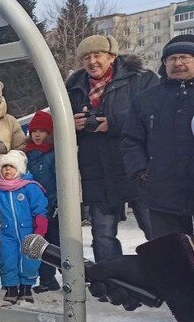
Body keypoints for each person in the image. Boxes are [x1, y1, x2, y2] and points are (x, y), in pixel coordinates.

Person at [66, 35, 157, 261]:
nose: (92, 61)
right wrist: (72, 125)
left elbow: (154, 112)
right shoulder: (73, 88)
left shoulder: (141, 79)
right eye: (86, 57)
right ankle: (111, 285)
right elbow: (56, 124)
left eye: (97, 55)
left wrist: (113, 123)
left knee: (156, 229)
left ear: (112, 56)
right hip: (97, 172)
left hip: (137, 167)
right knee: (103, 235)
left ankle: (172, 279)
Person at [122, 34, 194, 239]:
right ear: (164, 64)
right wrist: (141, 173)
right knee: (170, 256)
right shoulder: (146, 99)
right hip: (163, 194)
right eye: (171, 58)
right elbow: (131, 140)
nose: (178, 63)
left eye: (184, 57)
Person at [0, 150, 48, 304]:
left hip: (28, 232)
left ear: (20, 169)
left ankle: (26, 287)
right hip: (6, 233)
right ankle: (11, 288)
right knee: (8, 259)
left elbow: (39, 207)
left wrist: (40, 224)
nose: (7, 170)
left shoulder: (30, 187)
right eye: (5, 166)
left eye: (12, 166)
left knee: (29, 259)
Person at [25, 111, 60, 292]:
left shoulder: (55, 154)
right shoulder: (26, 154)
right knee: (39, 243)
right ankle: (46, 279)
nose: (37, 135)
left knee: (55, 242)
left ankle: (63, 275)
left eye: (42, 131)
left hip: (52, 206)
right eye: (34, 131)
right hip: (33, 208)